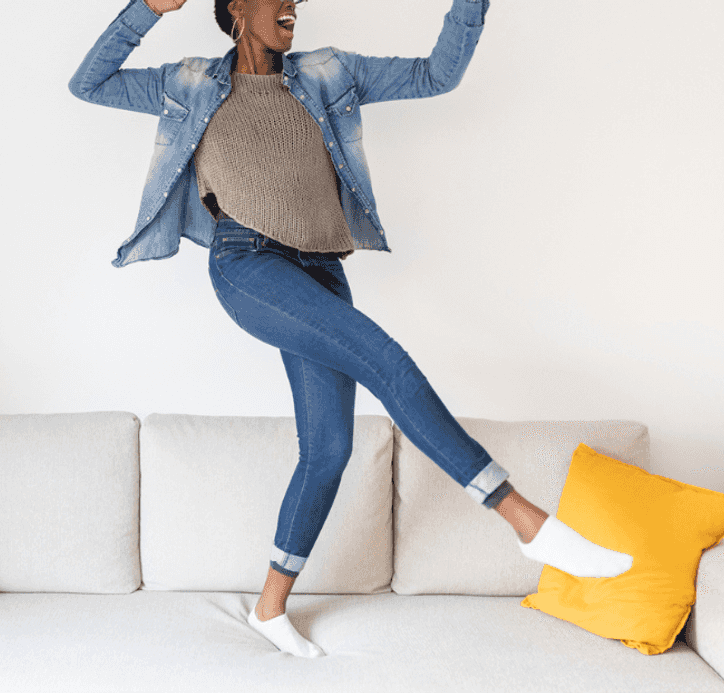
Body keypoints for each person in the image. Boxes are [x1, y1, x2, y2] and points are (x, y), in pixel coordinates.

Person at [69, 0, 635, 658]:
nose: (291, 7)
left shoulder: (329, 73)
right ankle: (523, 518)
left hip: (323, 270)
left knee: (328, 449)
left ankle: (269, 609)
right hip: (247, 263)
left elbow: (436, 76)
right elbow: (89, 84)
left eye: (297, 2)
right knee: (387, 361)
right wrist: (144, 9)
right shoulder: (188, 81)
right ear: (236, 9)